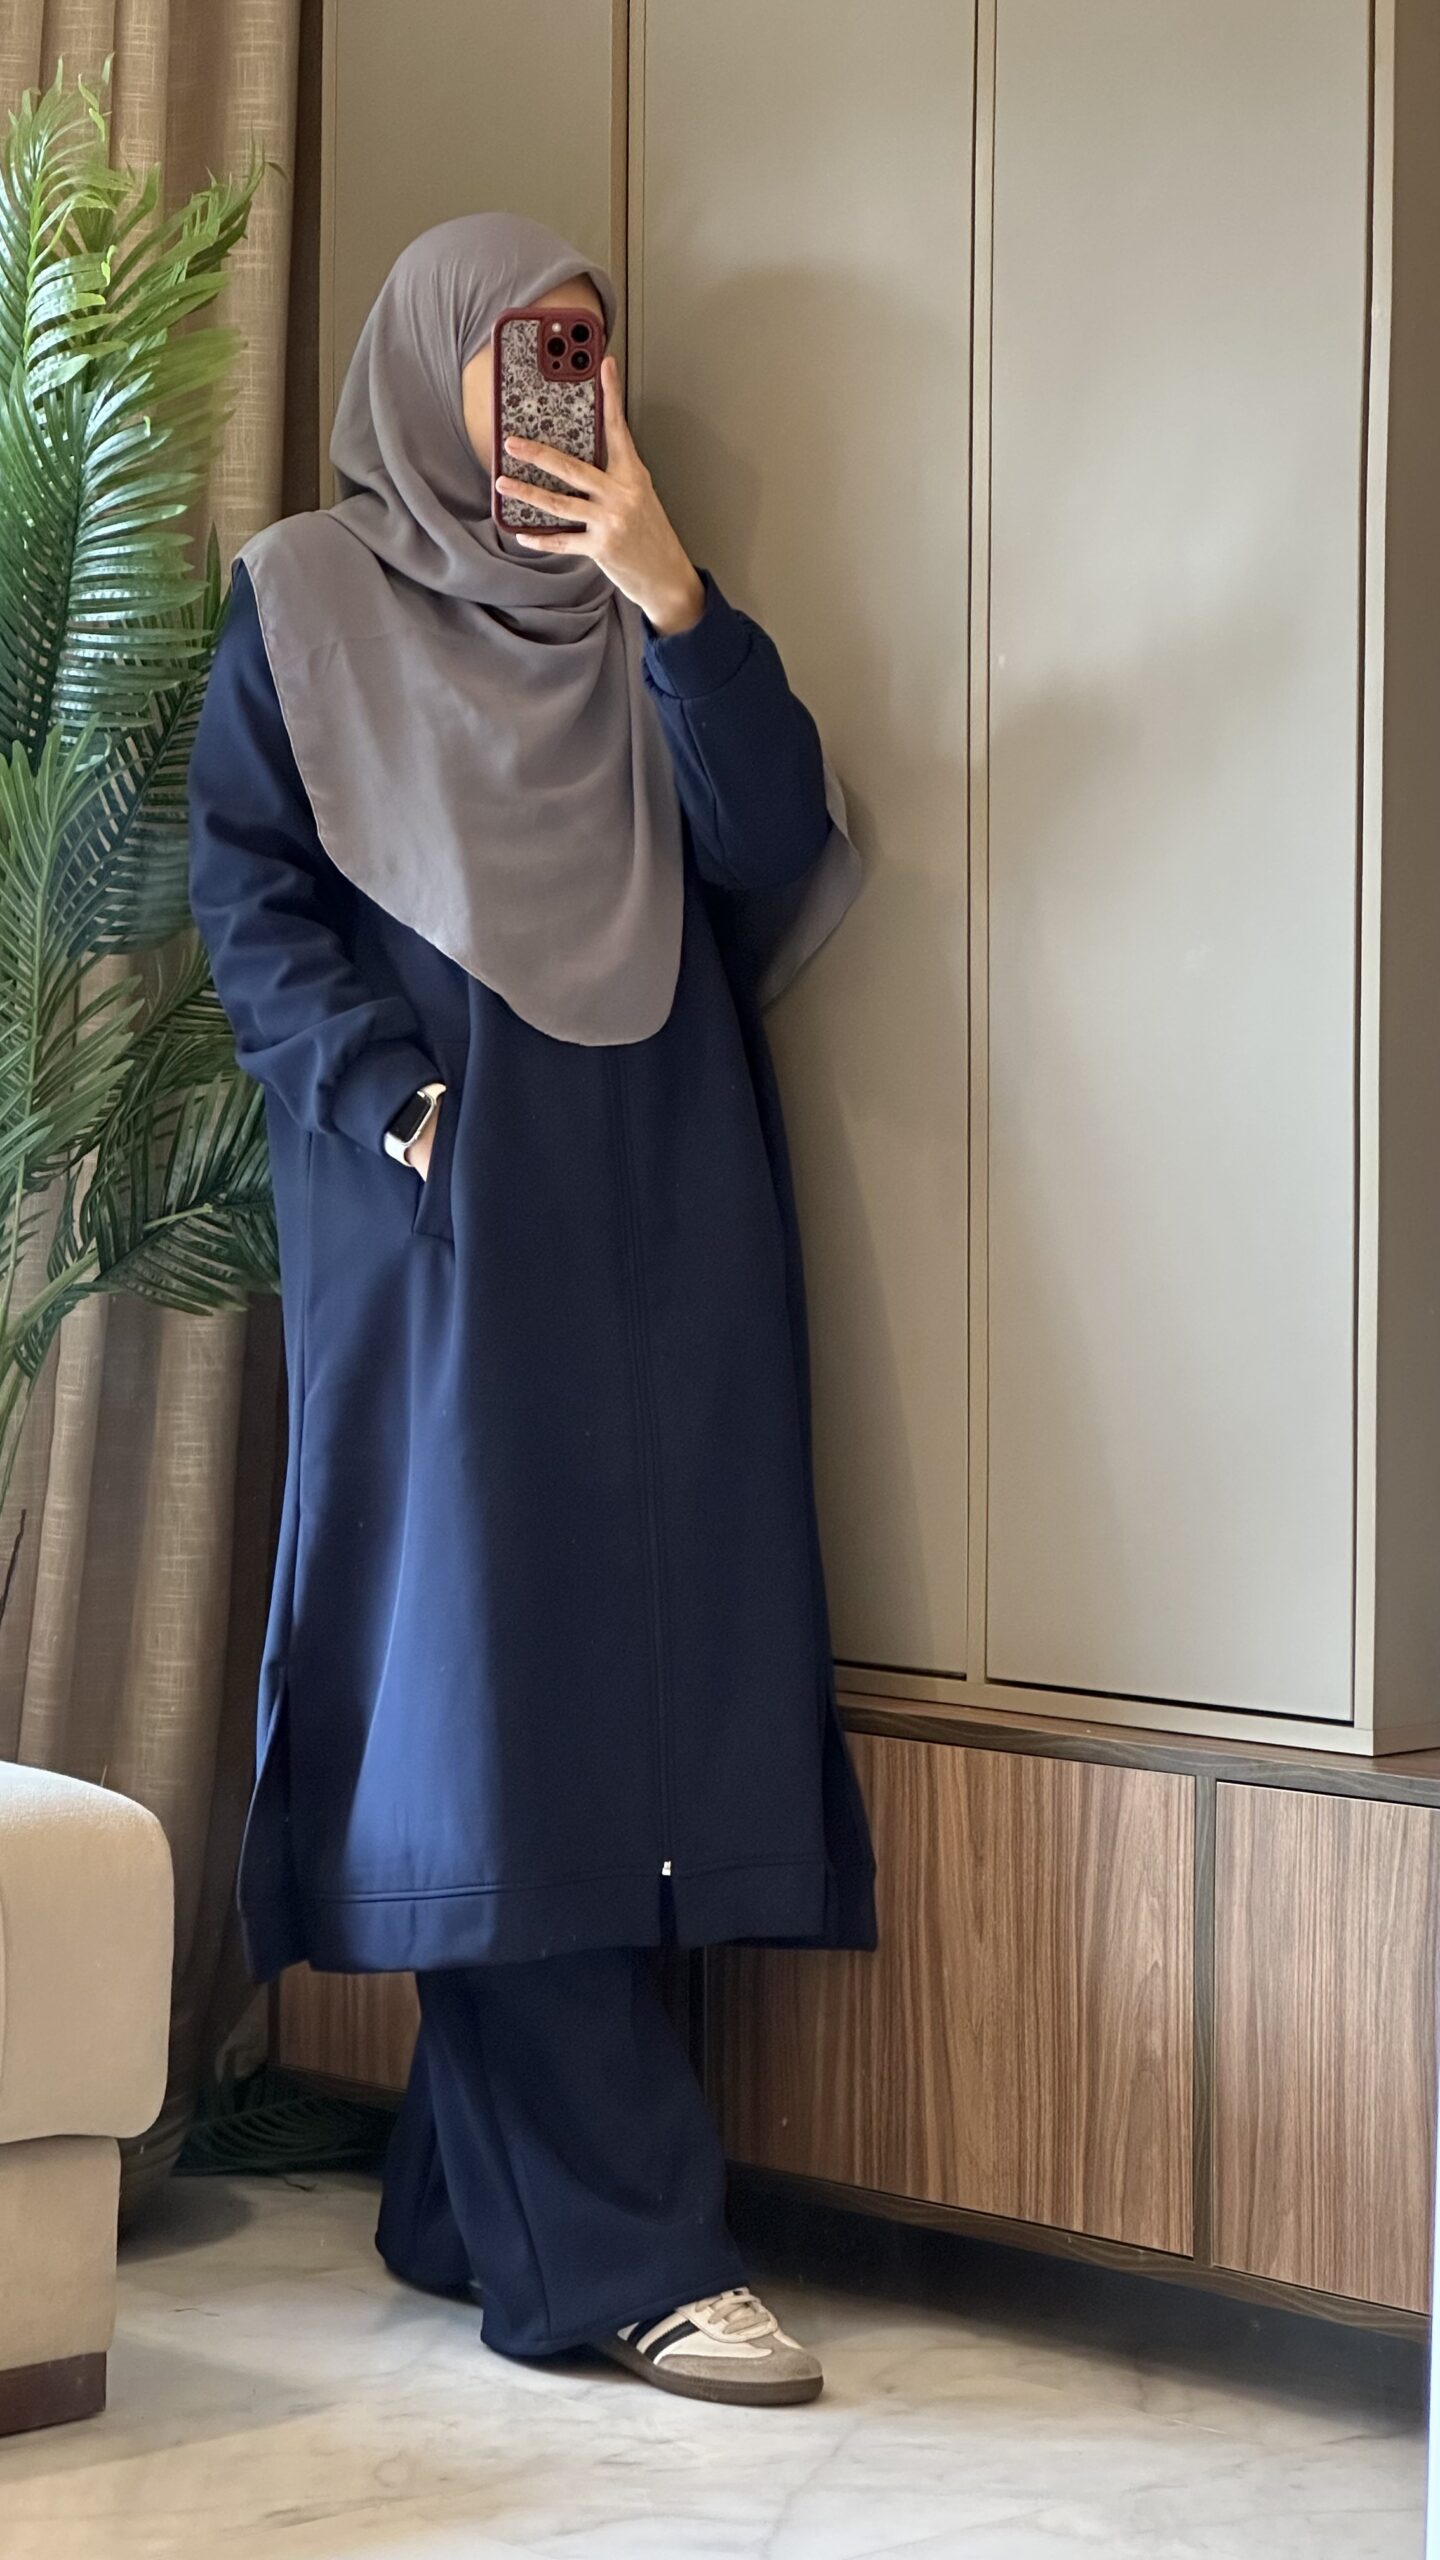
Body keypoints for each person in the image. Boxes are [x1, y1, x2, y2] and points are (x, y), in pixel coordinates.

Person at [187, 211, 878, 2409]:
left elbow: (771, 844)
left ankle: (468, 2202)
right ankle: (635, 2254)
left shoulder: (626, 619)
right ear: (430, 371)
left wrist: (676, 601)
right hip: (449, 1219)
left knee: (632, 1695)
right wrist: (392, 1105)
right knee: (489, 1698)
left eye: (587, 343)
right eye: (522, 349)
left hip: (668, 1194)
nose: (561, 381)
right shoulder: (307, 597)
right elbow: (248, 893)